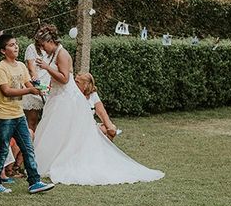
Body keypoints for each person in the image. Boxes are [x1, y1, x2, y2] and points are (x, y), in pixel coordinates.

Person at [32, 25, 164, 185]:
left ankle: (62, 162)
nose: (42, 49)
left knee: (65, 132)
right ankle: (47, 161)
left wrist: (46, 68)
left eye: (43, 45)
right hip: (58, 97)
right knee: (56, 131)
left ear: (51, 41)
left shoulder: (62, 54)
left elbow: (65, 78)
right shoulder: (54, 53)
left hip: (66, 100)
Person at [0, 33, 55, 195]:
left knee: (28, 148)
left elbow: (29, 83)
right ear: (3, 51)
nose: (16, 47)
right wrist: (30, 90)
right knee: (3, 150)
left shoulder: (21, 66)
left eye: (16, 44)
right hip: (3, 115)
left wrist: (41, 88)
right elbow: (6, 91)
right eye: (11, 45)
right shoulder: (0, 68)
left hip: (18, 114)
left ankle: (34, 182)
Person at [23, 38, 55, 132]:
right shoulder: (31, 48)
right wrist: (38, 86)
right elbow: (31, 69)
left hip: (49, 87)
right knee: (32, 120)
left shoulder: (52, 49)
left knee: (47, 121)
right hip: (34, 87)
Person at [75, 73, 118, 141]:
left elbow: (102, 113)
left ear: (85, 85)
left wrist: (110, 128)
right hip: (77, 126)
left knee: (110, 128)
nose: (74, 84)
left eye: (77, 82)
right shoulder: (74, 94)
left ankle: (102, 150)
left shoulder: (93, 95)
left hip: (91, 125)